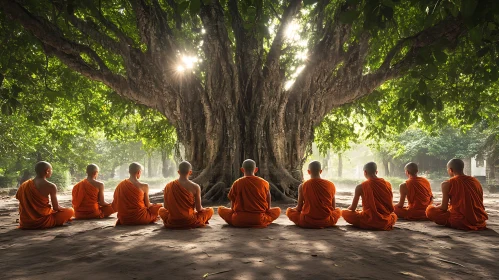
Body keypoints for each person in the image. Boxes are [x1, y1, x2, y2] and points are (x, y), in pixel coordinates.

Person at [426, 158, 488, 230]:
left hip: (459, 220)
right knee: (444, 206)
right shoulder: (475, 181)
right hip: (478, 219)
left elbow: (444, 207)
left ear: (451, 170)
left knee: (430, 211)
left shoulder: (446, 184)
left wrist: (432, 207)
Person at [218, 159, 281, 228]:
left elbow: (232, 206)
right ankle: (258, 222)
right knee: (277, 210)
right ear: (256, 169)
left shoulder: (237, 183)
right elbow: (268, 206)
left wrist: (234, 211)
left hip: (238, 220)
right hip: (259, 220)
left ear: (242, 170)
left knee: (221, 209)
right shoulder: (264, 183)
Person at [16, 161, 74, 229]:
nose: (52, 171)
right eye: (51, 170)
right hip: (44, 221)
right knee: (70, 211)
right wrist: (65, 209)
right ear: (47, 171)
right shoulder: (51, 186)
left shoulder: (25, 185)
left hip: (26, 222)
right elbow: (56, 208)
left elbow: (20, 199)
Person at [342, 162, 397, 230]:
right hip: (385, 221)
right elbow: (390, 206)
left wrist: (346, 210)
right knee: (393, 215)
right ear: (376, 172)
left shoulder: (360, 187)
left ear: (365, 172)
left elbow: (353, 208)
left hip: (369, 220)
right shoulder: (387, 184)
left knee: (344, 212)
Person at [286, 161, 341, 228]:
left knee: (289, 211)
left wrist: (293, 209)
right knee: (338, 211)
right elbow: (333, 208)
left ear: (308, 172)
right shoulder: (331, 185)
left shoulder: (302, 186)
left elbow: (299, 208)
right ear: (320, 171)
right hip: (326, 221)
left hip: (306, 222)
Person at [159, 161, 214, 229]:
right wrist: (203, 210)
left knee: (161, 210)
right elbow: (199, 209)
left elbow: (166, 207)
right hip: (189, 221)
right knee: (210, 210)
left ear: (178, 172)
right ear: (190, 172)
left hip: (173, 221)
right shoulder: (195, 187)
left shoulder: (168, 186)